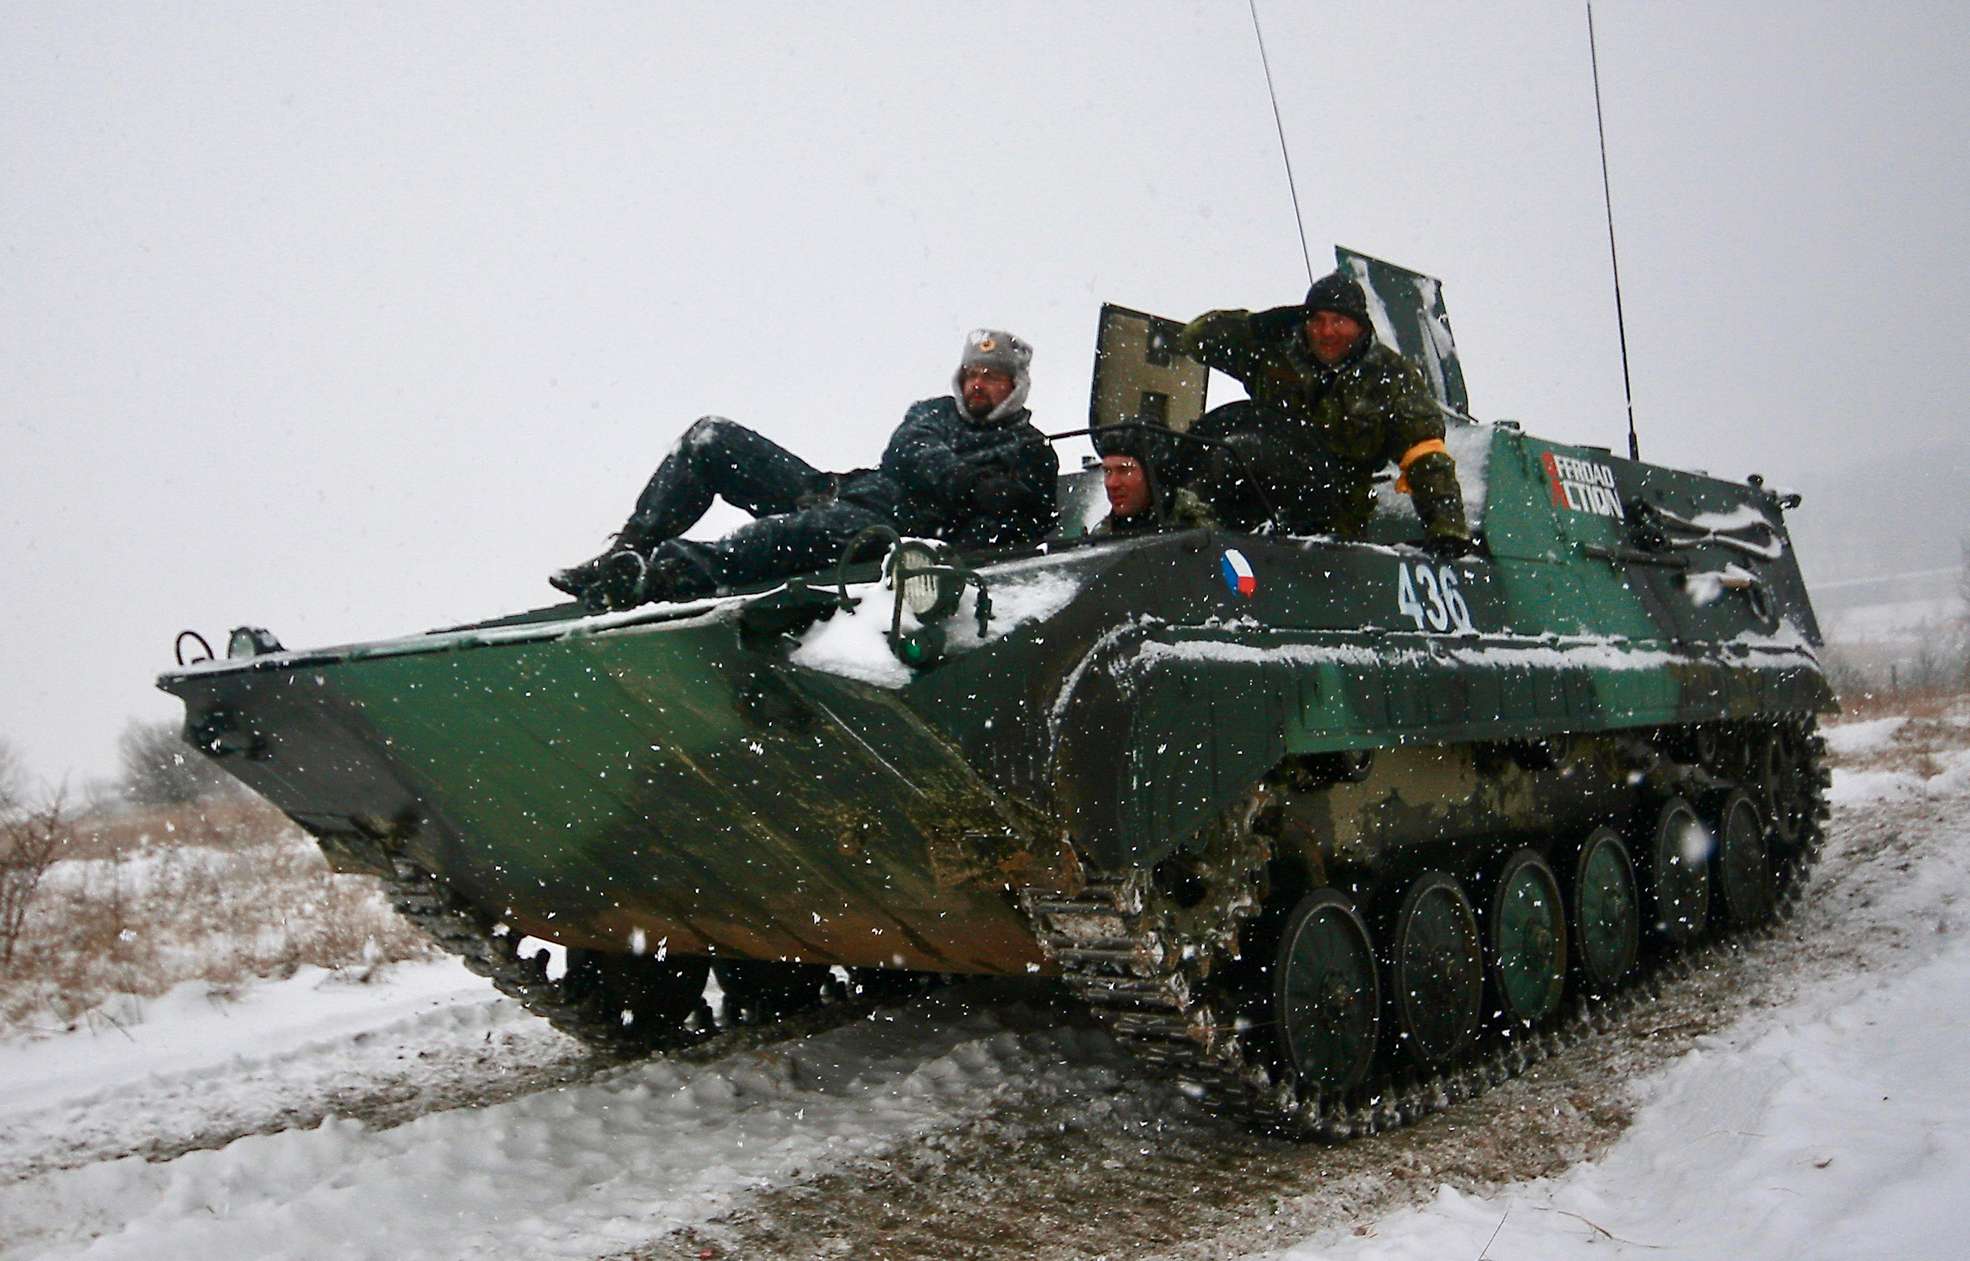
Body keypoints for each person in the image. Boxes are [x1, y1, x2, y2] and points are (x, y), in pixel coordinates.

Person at [550, 328, 1056, 610]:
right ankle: (627, 551)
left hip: (890, 532)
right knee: (713, 437)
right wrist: (968, 481)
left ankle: (660, 576)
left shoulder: (1029, 449)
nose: (978, 385)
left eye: (992, 378)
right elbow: (908, 452)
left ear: (1015, 386)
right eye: (972, 374)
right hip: (852, 489)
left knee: (783, 536)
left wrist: (996, 509)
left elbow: (1018, 531)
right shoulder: (933, 412)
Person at [1171, 272, 1472, 552]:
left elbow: (1423, 454)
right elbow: (1194, 339)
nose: (1326, 332)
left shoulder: (1390, 376)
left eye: (1339, 321)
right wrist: (1252, 325)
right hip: (1254, 509)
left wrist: (1446, 527)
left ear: (1361, 325)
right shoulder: (1275, 353)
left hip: (1334, 528)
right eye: (1317, 320)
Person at [1087, 422, 1216, 536]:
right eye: (1107, 471)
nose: (1111, 483)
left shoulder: (1199, 531)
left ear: (1155, 475)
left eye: (1124, 470)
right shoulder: (1102, 537)